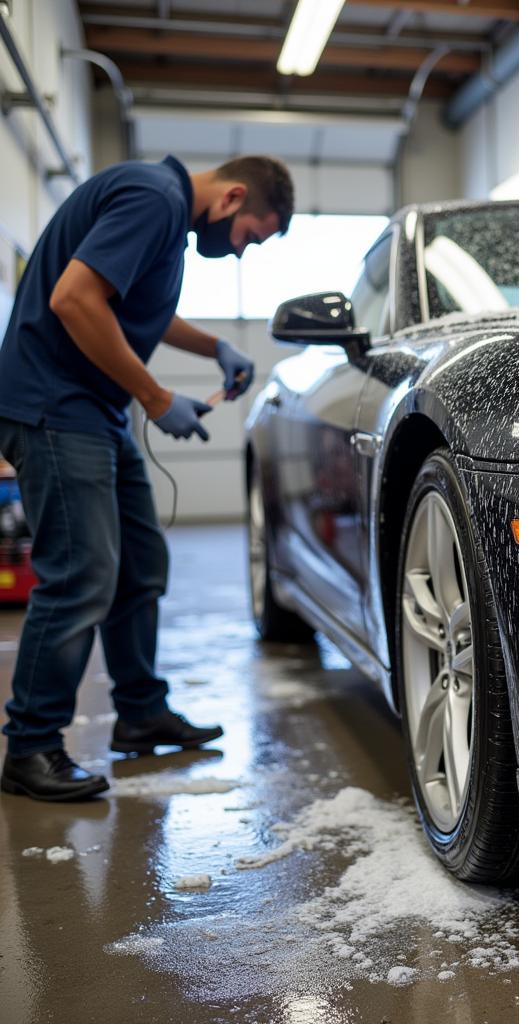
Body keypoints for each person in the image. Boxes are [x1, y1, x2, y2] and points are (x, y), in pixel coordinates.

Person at [0, 154, 295, 801]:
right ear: (232, 197)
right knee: (82, 572)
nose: (241, 253)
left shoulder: (165, 217)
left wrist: (213, 345)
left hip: (93, 410)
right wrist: (157, 398)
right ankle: (29, 746)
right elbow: (74, 299)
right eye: (251, 236)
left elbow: (135, 312)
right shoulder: (154, 199)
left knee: (138, 560)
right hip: (56, 406)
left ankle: (139, 712)